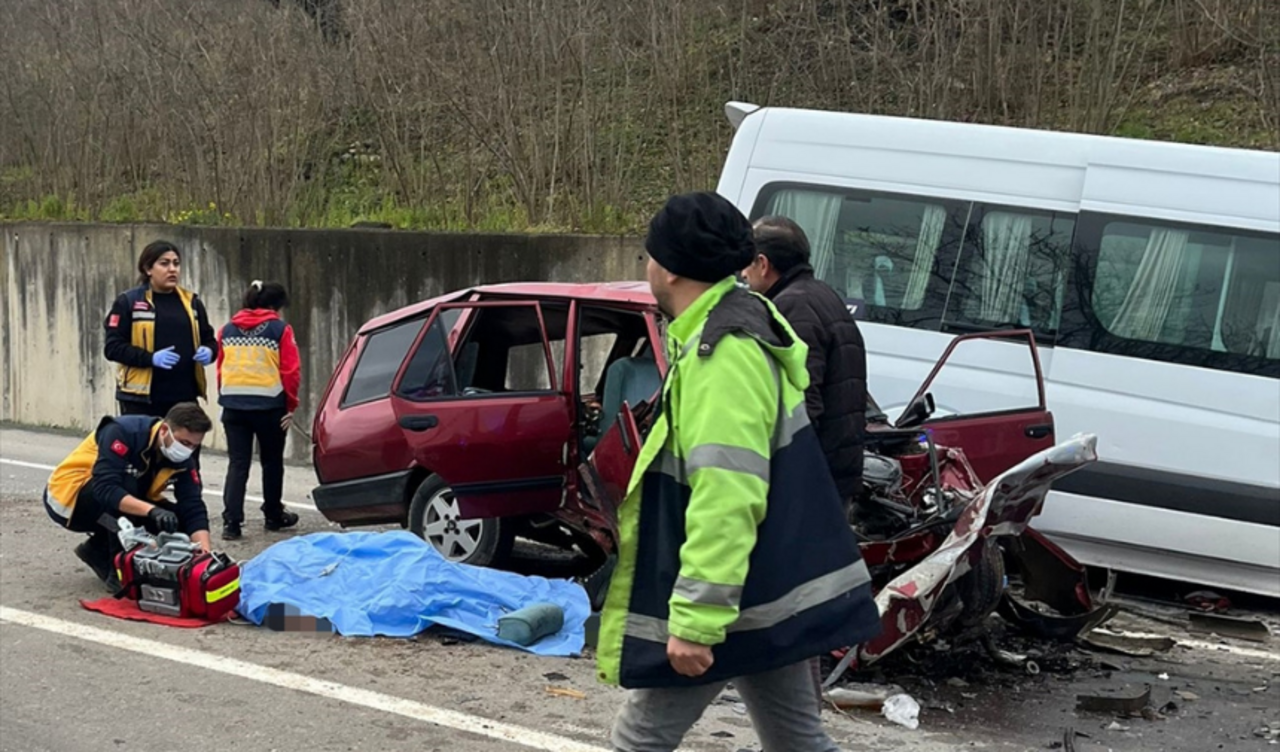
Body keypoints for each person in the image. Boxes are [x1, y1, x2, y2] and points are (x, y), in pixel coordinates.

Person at [598, 192, 882, 752]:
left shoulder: (723, 355)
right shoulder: (736, 327)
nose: (647, 267)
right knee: (796, 739)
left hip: (734, 593)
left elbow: (727, 494)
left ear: (671, 267)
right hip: (762, 586)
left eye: (649, 255)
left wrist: (696, 619)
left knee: (639, 738)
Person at [740, 216, 868, 504]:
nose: (743, 275)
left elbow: (802, 402)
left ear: (763, 263)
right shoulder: (823, 295)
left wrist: (786, 476)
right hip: (836, 469)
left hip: (811, 479)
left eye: (747, 264)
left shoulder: (791, 309)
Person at [43, 403, 215, 590]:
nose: (188, 450)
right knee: (126, 486)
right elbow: (105, 488)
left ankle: (97, 549)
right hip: (70, 500)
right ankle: (120, 571)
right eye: (184, 443)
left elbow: (193, 505)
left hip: (113, 504)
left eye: (194, 446)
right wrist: (152, 511)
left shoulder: (182, 459)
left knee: (176, 520)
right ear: (165, 430)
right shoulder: (123, 431)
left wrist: (204, 554)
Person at [215, 280, 302, 539]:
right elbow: (290, 371)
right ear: (276, 306)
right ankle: (273, 515)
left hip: (233, 406)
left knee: (238, 463)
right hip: (269, 406)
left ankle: (231, 523)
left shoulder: (227, 330)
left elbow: (220, 369)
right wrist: (291, 406)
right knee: (272, 462)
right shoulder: (280, 329)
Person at [104, 241, 219, 418]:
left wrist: (210, 351)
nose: (172, 269)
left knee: (184, 446)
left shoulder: (192, 303)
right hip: (141, 400)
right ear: (148, 269)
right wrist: (151, 358)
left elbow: (210, 340)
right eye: (164, 263)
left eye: (176, 263)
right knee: (145, 446)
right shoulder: (129, 302)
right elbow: (113, 348)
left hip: (184, 399)